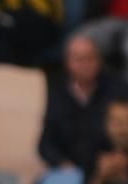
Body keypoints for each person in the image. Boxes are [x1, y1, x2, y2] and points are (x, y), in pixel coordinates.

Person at [39, 34, 122, 171]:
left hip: (109, 170)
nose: (86, 65)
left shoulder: (118, 90)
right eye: (79, 59)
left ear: (100, 60)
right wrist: (63, 165)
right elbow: (45, 143)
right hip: (69, 171)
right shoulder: (57, 92)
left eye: (91, 58)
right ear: (67, 62)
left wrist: (120, 157)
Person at [79, 93, 128, 184]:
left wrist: (124, 180)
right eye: (118, 123)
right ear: (106, 125)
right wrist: (101, 178)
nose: (123, 130)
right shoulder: (98, 155)